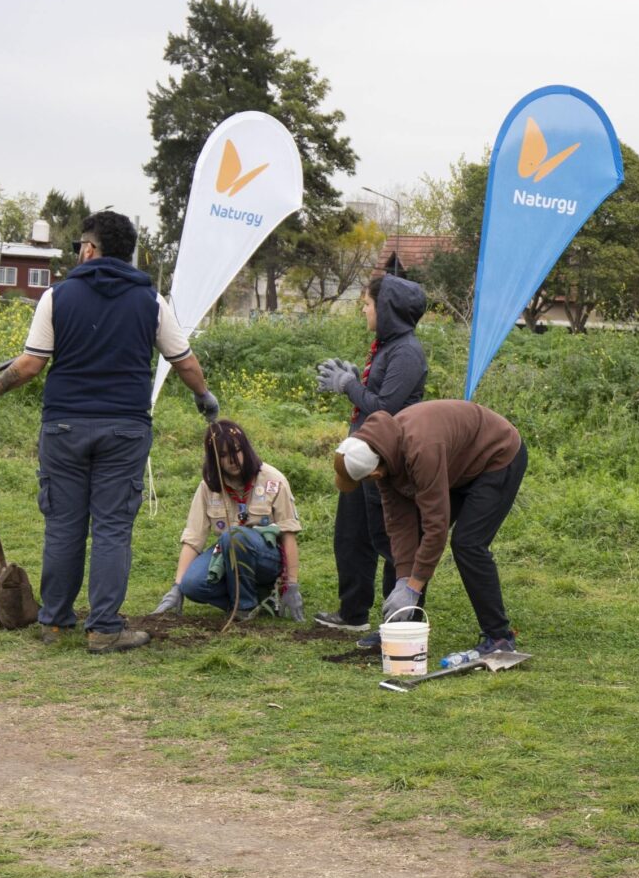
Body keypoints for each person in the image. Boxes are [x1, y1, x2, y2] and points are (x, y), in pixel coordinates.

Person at [0, 210, 217, 653]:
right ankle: (105, 630)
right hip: (125, 429)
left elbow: (31, 364)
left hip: (64, 427)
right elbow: (183, 361)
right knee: (112, 528)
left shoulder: (56, 297)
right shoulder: (151, 302)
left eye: (80, 248)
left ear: (90, 249)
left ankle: (54, 622)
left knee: (64, 525)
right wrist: (204, 398)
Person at [332, 399, 527, 661]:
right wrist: (404, 580)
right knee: (416, 542)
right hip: (458, 464)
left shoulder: (421, 450)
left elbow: (435, 525)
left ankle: (499, 636)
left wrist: (413, 586)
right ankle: (403, 625)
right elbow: (400, 524)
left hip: (497, 456)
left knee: (468, 543)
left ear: (374, 472)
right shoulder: (383, 451)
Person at [312, 273, 428, 632]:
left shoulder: (406, 352)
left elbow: (384, 408)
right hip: (360, 455)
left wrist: (348, 387)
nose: (363, 310)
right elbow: (374, 395)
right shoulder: (386, 346)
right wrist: (354, 380)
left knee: (390, 539)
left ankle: (398, 618)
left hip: (385, 462)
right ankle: (353, 612)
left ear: (386, 308)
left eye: (366, 304)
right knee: (352, 535)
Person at [148, 421, 305, 620]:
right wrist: (177, 587)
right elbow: (193, 538)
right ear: (214, 459)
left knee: (235, 536)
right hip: (227, 552)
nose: (232, 460)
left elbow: (288, 533)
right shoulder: (208, 487)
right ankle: (257, 599)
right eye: (223, 455)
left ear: (245, 450)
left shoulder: (273, 480)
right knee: (192, 585)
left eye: (236, 450)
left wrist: (291, 585)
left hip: (266, 558)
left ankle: (244, 607)